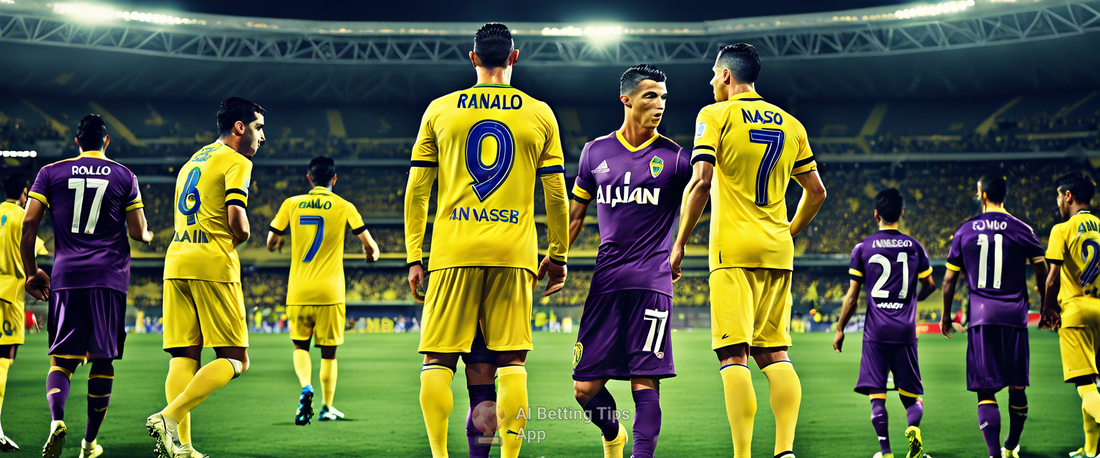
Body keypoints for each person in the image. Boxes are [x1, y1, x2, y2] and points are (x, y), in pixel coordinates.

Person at [404, 22, 570, 458]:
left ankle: (440, 456)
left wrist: (413, 256)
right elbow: (556, 192)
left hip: (452, 252)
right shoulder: (540, 113)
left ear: (473, 57)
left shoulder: (440, 110)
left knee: (438, 361)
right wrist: (558, 255)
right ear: (514, 58)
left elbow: (417, 191)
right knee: (509, 364)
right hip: (513, 253)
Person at [670, 42, 827, 458]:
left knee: (733, 354)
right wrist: (787, 231)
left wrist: (679, 243)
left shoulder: (714, 115)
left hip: (732, 251)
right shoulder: (792, 125)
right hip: (777, 249)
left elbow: (701, 182)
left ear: (725, 75)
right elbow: (816, 192)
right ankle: (785, 451)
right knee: (775, 352)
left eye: (712, 75)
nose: (710, 82)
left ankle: (742, 455)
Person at [565, 64, 689, 458]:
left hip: (652, 282)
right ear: (627, 99)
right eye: (651, 95)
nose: (659, 105)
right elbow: (574, 216)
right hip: (606, 283)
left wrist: (680, 244)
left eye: (664, 97)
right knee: (584, 388)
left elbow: (704, 191)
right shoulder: (595, 152)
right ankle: (613, 435)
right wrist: (554, 257)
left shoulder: (676, 159)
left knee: (645, 383)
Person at [22, 114, 152, 458]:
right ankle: (89, 444)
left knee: (61, 361)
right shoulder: (125, 176)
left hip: (66, 278)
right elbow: (139, 233)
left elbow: (29, 223)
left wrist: (31, 271)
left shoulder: (50, 172)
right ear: (107, 142)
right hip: (108, 279)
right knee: (102, 361)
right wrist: (150, 235)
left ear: (77, 143)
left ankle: (56, 421)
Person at [146, 97, 264, 458]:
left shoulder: (192, 161)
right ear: (240, 127)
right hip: (212, 264)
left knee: (184, 357)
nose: (262, 137)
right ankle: (168, 416)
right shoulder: (237, 160)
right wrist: (241, 238)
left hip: (176, 261)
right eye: (259, 128)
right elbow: (237, 223)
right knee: (237, 360)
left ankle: (183, 447)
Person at [939, 175, 1047, 458]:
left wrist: (946, 316)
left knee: (985, 391)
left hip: (981, 318)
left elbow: (949, 281)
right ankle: (1011, 444)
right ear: (1004, 195)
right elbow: (1042, 270)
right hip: (1015, 316)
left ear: (982, 195)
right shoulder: (1023, 229)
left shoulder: (965, 230)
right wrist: (1046, 304)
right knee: (1017, 384)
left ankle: (993, 454)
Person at [267, 155, 380, 425]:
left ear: (309, 179)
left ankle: (306, 386)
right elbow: (371, 246)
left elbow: (271, 241)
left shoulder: (291, 204)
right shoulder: (344, 205)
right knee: (329, 353)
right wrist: (369, 253)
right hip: (330, 292)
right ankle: (327, 407)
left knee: (300, 347)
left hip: (298, 290)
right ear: (334, 179)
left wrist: (278, 244)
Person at [835, 189, 936, 458]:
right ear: (902, 214)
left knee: (877, 395)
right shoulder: (915, 247)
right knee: (911, 396)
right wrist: (913, 299)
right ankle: (914, 433)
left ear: (876, 214)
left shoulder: (862, 248)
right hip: (905, 330)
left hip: (876, 332)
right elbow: (930, 285)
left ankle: (886, 452)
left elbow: (853, 297)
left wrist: (839, 328)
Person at [1042, 173, 1100, 458]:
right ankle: (1091, 451)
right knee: (1093, 384)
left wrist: (1047, 310)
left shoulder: (1061, 229)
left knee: (1086, 388)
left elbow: (1052, 278)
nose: (1057, 202)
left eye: (1057, 196)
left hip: (1076, 310)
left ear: (1068, 196)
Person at [0, 172, 47, 452]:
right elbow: (34, 251)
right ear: (25, 192)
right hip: (7, 295)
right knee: (4, 358)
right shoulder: (21, 216)